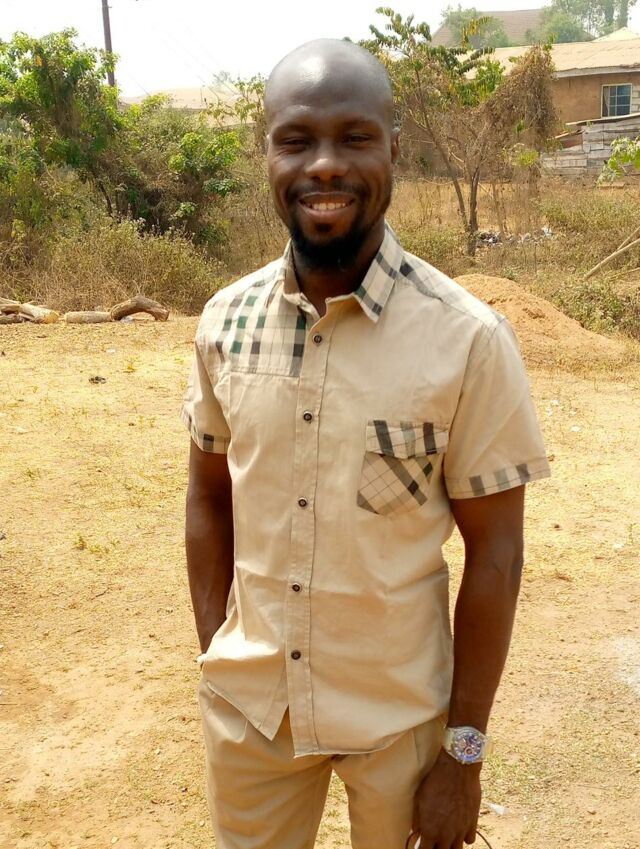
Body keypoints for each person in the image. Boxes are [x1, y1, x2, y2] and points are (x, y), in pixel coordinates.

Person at [182, 38, 550, 849]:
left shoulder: (467, 339)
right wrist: (218, 655)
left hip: (401, 727)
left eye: (354, 137)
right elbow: (208, 495)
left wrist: (464, 752)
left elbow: (497, 553)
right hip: (252, 716)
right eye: (296, 140)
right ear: (267, 152)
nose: (324, 165)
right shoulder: (224, 323)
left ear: (394, 147)